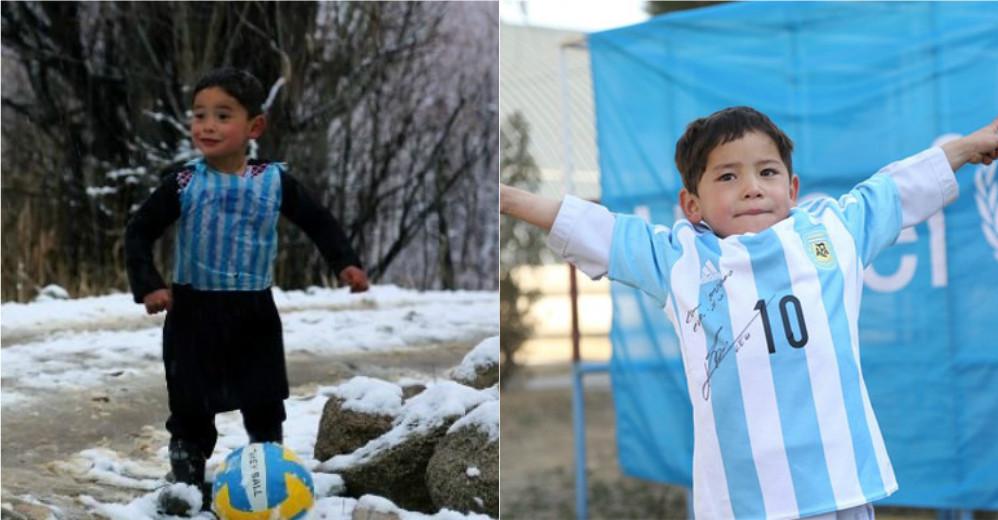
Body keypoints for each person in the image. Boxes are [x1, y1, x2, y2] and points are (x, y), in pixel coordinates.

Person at [501, 107, 998, 520]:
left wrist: (970, 144)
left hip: (840, 487)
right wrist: (503, 197)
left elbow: (895, 189)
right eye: (728, 175)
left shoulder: (831, 232)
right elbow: (594, 226)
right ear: (691, 204)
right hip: (743, 502)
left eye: (767, 172)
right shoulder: (677, 259)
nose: (752, 187)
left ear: (793, 187)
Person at [125, 67, 369, 514]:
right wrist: (150, 285)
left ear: (254, 127)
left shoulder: (274, 182)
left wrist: (345, 262)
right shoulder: (183, 183)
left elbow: (319, 221)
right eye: (199, 115)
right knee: (190, 403)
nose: (208, 126)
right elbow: (139, 231)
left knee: (263, 398)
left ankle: (269, 475)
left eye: (222, 115)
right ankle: (187, 482)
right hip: (192, 311)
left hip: (254, 311)